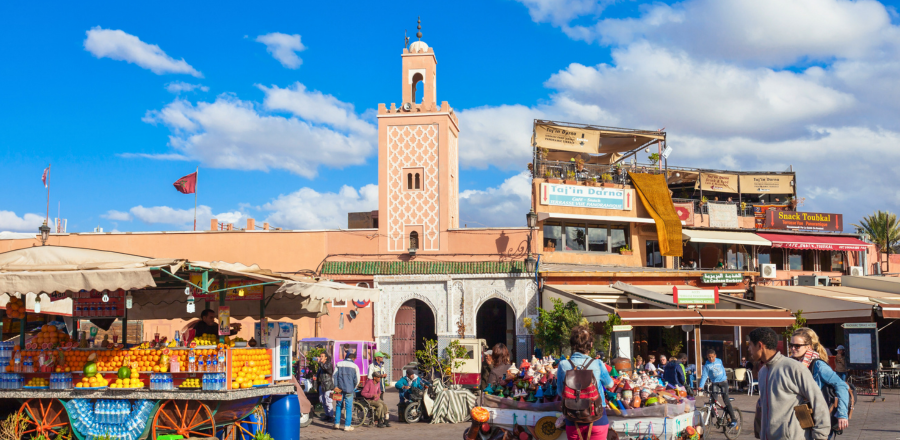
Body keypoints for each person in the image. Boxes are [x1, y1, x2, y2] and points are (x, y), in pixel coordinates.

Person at [750, 327, 830, 440]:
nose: (749, 349)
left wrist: (820, 436)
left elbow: (818, 401)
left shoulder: (793, 368)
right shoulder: (762, 371)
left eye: (750, 345)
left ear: (759, 345)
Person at [557, 326, 614, 440]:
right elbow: (610, 384)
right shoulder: (597, 363)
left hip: (573, 417)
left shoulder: (563, 365)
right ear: (591, 344)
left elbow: (560, 392)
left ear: (572, 344)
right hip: (596, 417)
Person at [790, 328, 850, 436]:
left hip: (817, 416)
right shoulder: (792, 363)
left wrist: (842, 415)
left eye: (797, 346)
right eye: (791, 345)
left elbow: (841, 385)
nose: (793, 348)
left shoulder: (818, 365)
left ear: (808, 346)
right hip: (801, 413)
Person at [697, 350, 737, 428]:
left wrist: (724, 378)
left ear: (715, 356)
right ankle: (712, 418)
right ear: (707, 357)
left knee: (726, 400)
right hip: (715, 383)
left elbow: (722, 370)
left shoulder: (719, 361)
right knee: (713, 400)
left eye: (712, 357)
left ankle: (733, 418)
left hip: (723, 382)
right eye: (709, 357)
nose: (711, 358)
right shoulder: (707, 365)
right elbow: (704, 375)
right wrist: (700, 386)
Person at [333, 349, 361, 431]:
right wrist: (354, 387)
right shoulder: (355, 366)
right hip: (349, 390)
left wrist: (335, 386)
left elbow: (334, 376)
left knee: (338, 406)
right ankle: (347, 426)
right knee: (348, 407)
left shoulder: (338, 364)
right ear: (354, 359)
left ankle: (336, 424)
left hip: (339, 389)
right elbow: (357, 379)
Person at [315, 351, 335, 423]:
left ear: (326, 357)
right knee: (323, 401)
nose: (320, 358)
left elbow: (325, 368)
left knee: (328, 401)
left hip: (328, 385)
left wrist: (319, 362)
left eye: (322, 356)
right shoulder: (321, 365)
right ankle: (327, 415)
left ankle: (331, 416)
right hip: (322, 385)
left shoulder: (328, 364)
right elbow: (319, 373)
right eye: (320, 356)